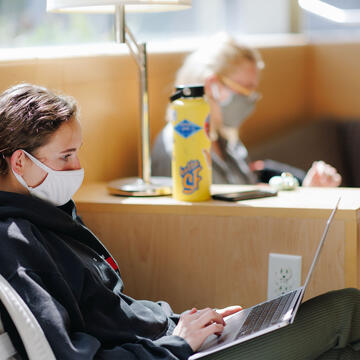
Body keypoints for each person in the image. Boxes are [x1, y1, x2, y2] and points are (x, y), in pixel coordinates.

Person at [0, 83, 359, 360]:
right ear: (20, 163)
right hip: (171, 354)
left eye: (77, 153)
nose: (78, 168)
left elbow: (115, 312)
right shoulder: (16, 245)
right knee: (347, 309)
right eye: (65, 156)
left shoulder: (50, 215)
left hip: (169, 343)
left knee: (341, 351)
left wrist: (185, 321)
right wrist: (179, 343)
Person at [151, 33, 342, 187]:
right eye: (245, 90)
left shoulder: (229, 144)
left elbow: (248, 203)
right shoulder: (180, 146)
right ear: (212, 86)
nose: (250, 100)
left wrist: (306, 192)